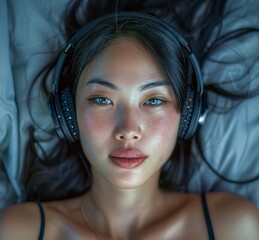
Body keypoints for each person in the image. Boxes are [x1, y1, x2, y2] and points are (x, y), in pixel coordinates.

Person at [1, 5, 259, 240]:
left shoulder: (232, 225)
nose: (128, 131)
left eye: (154, 101)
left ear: (188, 115)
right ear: (67, 114)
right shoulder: (21, 230)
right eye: (102, 99)